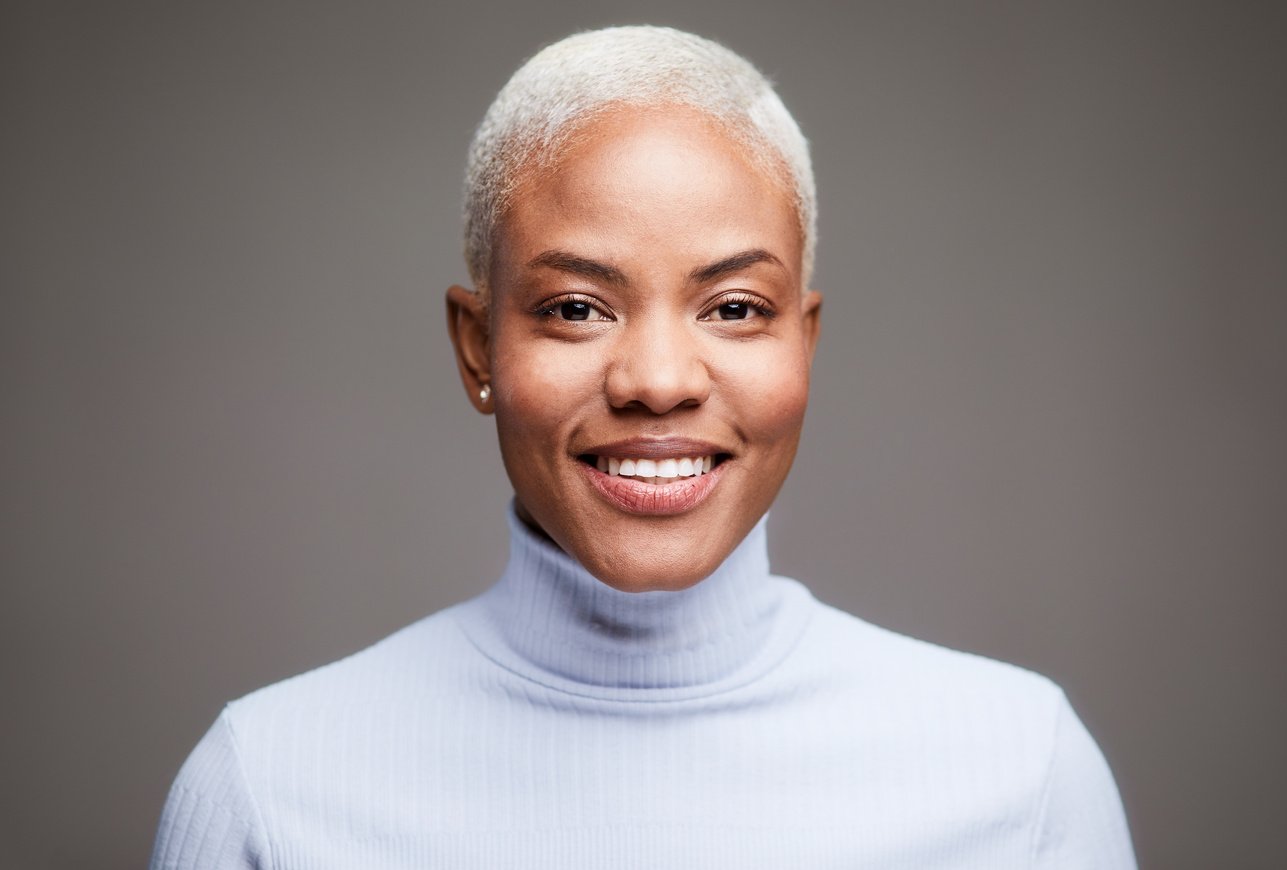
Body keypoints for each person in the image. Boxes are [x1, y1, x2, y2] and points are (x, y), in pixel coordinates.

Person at [150, 26, 1135, 869]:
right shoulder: (271, 789)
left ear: (806, 340)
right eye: (576, 307)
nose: (658, 380)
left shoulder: (1017, 773)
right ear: (475, 346)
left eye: (737, 308)